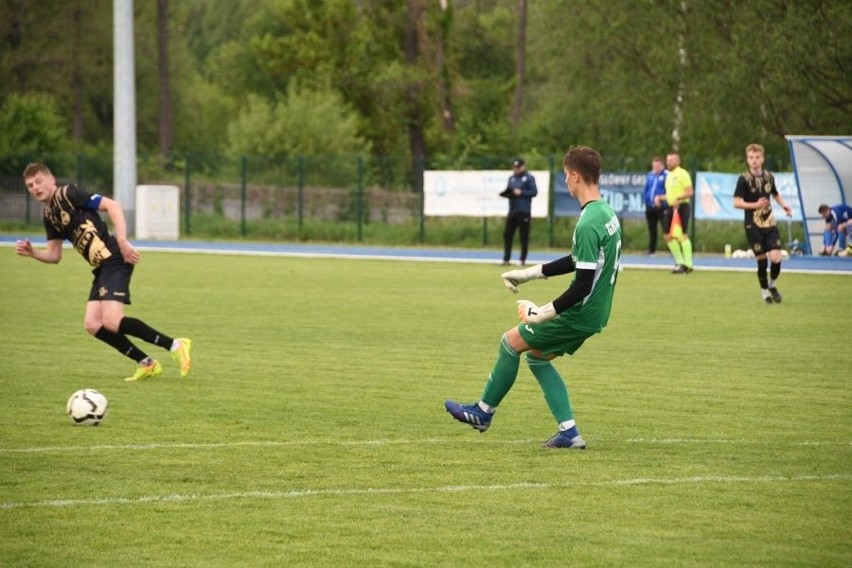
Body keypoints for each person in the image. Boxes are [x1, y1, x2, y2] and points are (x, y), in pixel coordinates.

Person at [444, 146, 621, 449]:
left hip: (581, 312)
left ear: (576, 176)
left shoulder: (588, 221)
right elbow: (578, 261)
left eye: (567, 176)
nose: (566, 182)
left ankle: (483, 412)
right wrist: (527, 274)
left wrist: (542, 312)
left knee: (509, 343)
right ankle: (569, 432)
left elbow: (581, 285)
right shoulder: (605, 213)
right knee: (537, 359)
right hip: (595, 313)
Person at [15, 163, 192, 382]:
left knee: (112, 321)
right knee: (93, 324)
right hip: (101, 267)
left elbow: (113, 206)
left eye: (39, 181)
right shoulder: (49, 215)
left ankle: (176, 345)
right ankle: (146, 363)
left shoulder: (69, 194)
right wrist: (33, 253)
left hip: (115, 258)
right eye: (30, 185)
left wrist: (123, 240)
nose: (35, 188)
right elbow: (54, 255)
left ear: (51, 179)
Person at [733, 144, 793, 304]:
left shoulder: (768, 177)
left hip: (769, 223)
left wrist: (784, 205)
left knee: (776, 257)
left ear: (762, 158)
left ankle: (772, 285)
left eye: (757, 157)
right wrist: (755, 205)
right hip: (752, 226)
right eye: (751, 158)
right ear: (747, 159)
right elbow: (736, 203)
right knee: (761, 260)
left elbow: (775, 194)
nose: (754, 161)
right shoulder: (743, 179)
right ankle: (764, 292)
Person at [657, 152, 694, 273]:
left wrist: (679, 198)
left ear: (678, 161)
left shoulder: (683, 173)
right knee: (667, 236)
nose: (669, 162)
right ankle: (679, 262)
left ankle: (688, 264)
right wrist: (661, 198)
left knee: (682, 235)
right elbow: (670, 194)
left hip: (682, 207)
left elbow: (689, 192)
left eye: (671, 160)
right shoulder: (669, 176)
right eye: (667, 160)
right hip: (670, 207)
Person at [500, 157, 538, 265]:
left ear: (523, 166)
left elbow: (534, 192)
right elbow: (509, 190)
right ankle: (506, 259)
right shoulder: (511, 178)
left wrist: (521, 192)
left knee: (523, 236)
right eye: (514, 167)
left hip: (524, 211)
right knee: (507, 234)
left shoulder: (529, 178)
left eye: (518, 167)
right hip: (512, 211)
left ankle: (522, 259)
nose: (516, 169)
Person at [642, 156, 668, 255]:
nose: (655, 168)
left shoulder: (666, 176)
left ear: (662, 165)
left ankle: (672, 250)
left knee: (666, 229)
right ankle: (651, 250)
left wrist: (663, 201)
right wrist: (646, 201)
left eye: (657, 166)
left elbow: (669, 191)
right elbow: (646, 190)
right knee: (652, 229)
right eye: (654, 166)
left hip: (662, 207)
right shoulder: (650, 175)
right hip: (650, 207)